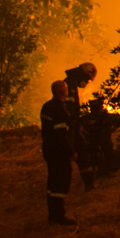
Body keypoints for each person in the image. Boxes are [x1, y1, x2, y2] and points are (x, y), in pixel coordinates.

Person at [40, 80, 77, 225]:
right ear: (62, 91)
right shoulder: (60, 109)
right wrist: (70, 152)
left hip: (48, 150)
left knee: (52, 181)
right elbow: (61, 135)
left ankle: (53, 214)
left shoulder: (47, 106)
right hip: (58, 152)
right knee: (61, 182)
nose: (67, 91)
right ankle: (58, 216)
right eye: (66, 88)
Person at [63, 62, 97, 191]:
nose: (87, 82)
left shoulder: (70, 84)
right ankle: (64, 185)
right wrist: (75, 124)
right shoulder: (69, 86)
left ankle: (89, 184)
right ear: (83, 73)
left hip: (73, 127)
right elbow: (69, 110)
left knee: (82, 152)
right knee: (73, 155)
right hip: (69, 129)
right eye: (87, 78)